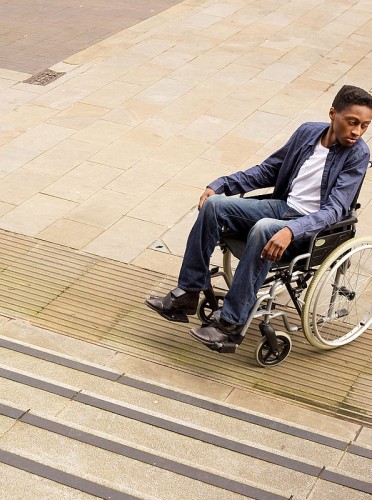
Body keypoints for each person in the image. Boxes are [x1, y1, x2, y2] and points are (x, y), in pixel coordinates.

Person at [146, 85, 372, 350]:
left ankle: (230, 324)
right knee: (215, 205)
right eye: (352, 122)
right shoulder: (307, 132)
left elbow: (334, 210)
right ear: (333, 114)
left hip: (311, 231)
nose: (357, 131)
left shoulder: (358, 155)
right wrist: (222, 184)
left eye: (365, 126)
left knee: (265, 228)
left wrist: (291, 230)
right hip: (283, 207)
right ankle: (187, 292)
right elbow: (268, 170)